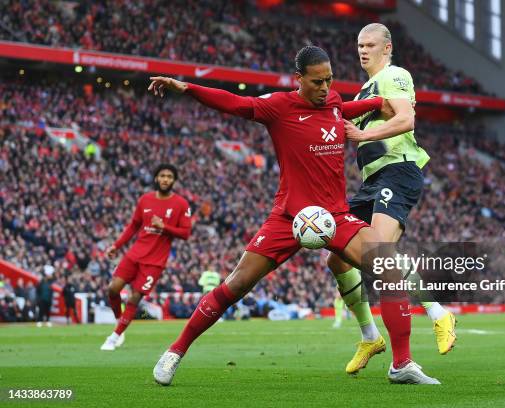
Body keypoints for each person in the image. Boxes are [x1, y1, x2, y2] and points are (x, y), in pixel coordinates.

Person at [149, 45, 439, 386]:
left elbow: (343, 107)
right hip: (288, 218)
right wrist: (188, 88)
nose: (325, 88)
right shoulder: (279, 106)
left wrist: (378, 103)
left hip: (335, 216)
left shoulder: (332, 103)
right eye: (317, 82)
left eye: (329, 80)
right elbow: (235, 103)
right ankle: (175, 351)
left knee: (388, 270)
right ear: (298, 79)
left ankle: (401, 364)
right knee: (237, 284)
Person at [327, 24, 457, 375]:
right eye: (359, 45)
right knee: (337, 260)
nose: (363, 50)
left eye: (370, 44)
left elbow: (406, 118)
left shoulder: (394, 75)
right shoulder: (364, 90)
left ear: (387, 48)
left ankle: (435, 316)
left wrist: (362, 133)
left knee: (379, 255)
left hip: (397, 171)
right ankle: (370, 336)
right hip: (372, 182)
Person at [100, 164, 192, 351]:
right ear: (156, 178)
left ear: (174, 180)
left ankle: (114, 336)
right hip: (134, 254)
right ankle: (120, 324)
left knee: (134, 298)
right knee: (113, 289)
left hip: (155, 262)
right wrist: (116, 246)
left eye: (169, 176)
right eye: (162, 175)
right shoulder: (145, 200)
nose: (165, 179)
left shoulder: (181, 204)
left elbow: (185, 233)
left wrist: (163, 227)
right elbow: (133, 226)